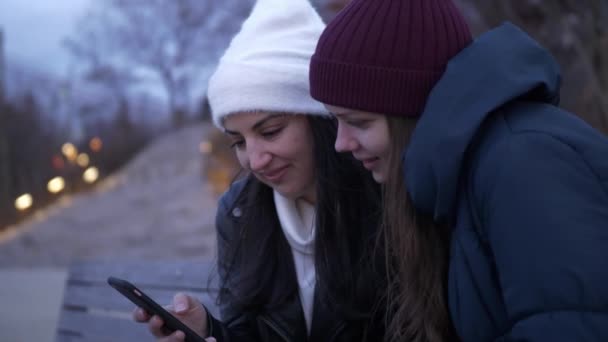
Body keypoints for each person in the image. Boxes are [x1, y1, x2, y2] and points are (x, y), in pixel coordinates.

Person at [309, 0, 608, 341]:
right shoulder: (458, 176)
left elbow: (573, 326)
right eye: (335, 122)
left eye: (358, 122)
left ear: (411, 110)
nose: (341, 143)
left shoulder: (524, 162)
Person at [133, 0, 386, 341]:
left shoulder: (388, 201)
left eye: (270, 132)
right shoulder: (237, 214)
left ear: (323, 121)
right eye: (238, 142)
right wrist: (210, 331)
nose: (255, 161)